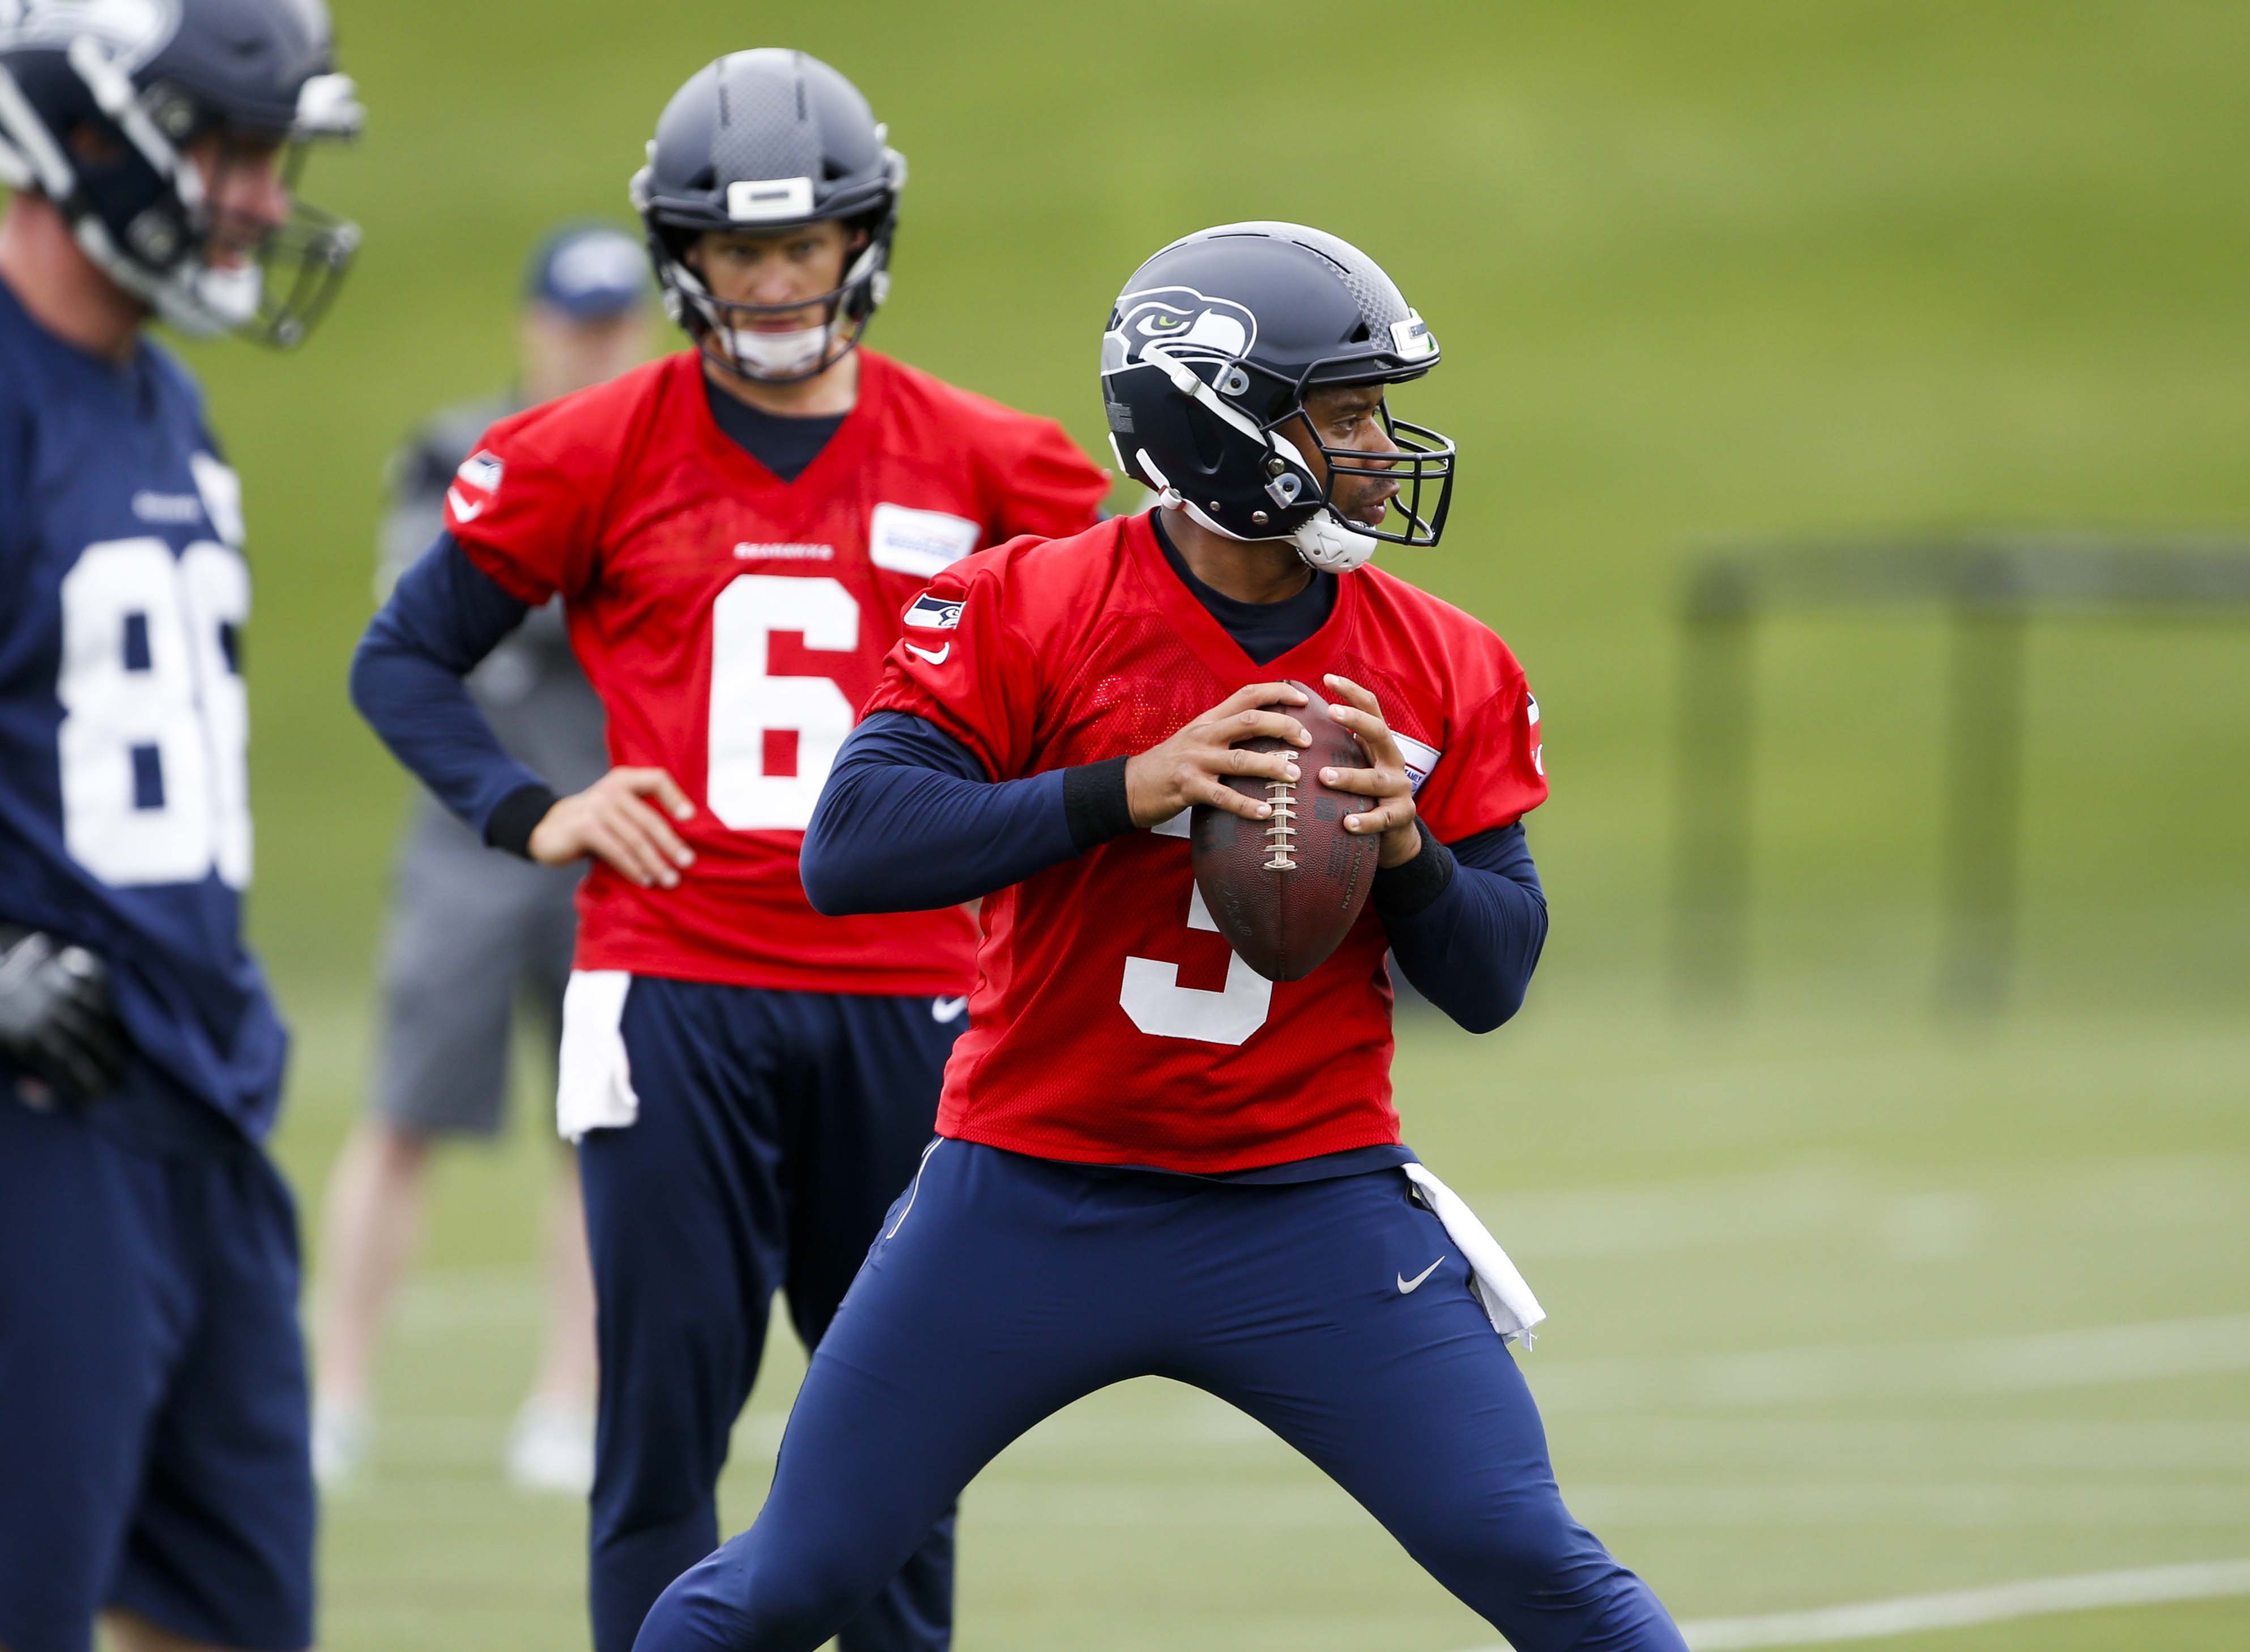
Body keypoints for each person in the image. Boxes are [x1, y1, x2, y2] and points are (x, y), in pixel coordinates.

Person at [634, 223, 1690, 1652]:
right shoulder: (1024, 605)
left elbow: (1494, 978)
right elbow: (853, 847)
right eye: (1343, 414)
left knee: (1534, 1557)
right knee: (792, 1581)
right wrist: (1125, 789)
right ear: (1217, 422)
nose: (1380, 450)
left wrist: (1410, 858)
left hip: (1307, 1202)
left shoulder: (1443, 658)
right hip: (1028, 1191)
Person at [346, 48, 1110, 1652]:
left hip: (912, 993)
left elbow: (1114, 663)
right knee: (660, 1433)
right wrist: (535, 808)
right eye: (738, 249)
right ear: (683, 256)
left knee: (901, 1436)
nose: (771, 280)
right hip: (673, 986)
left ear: (860, 240)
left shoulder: (995, 458)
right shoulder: (589, 445)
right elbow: (403, 656)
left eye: (801, 243)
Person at [0, 4, 363, 1651]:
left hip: (199, 1095)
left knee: (236, 1610)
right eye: (230, 150)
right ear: (83, 131)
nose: (265, 203)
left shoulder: (163, 402)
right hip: (43, 1107)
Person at [309, 223, 653, 1496]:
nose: (593, 349)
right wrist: (588, 556)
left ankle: (569, 1400)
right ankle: (336, 1395)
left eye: (614, 327)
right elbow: (435, 604)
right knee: (403, 1114)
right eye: (575, 324)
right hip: (466, 841)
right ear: (533, 326)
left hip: (606, 839)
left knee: (594, 1128)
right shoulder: (458, 450)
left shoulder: (660, 465)